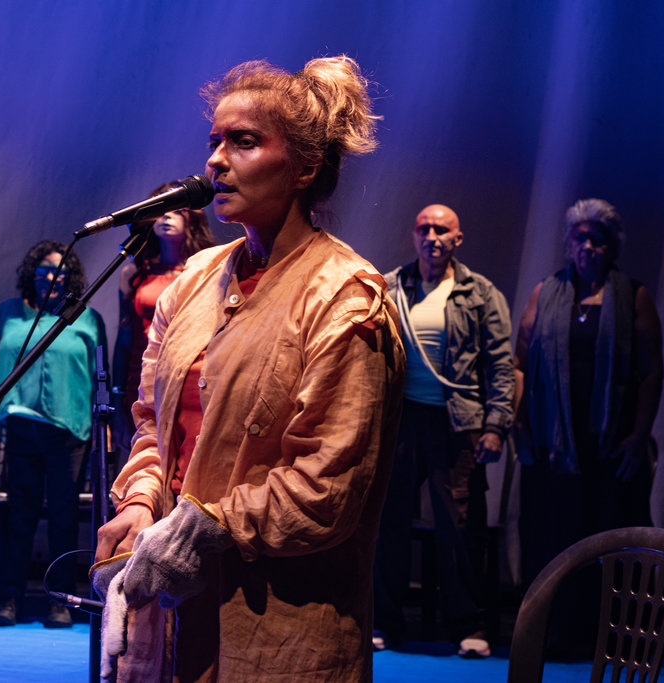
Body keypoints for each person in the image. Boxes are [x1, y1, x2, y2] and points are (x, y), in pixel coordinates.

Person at [92, 56, 404, 681]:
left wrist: (204, 528)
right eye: (214, 141)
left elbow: (327, 487)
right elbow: (153, 426)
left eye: (243, 141)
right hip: (175, 620)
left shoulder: (346, 298)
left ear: (304, 168)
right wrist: (142, 502)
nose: (215, 161)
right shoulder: (194, 280)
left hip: (278, 627)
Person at [373, 204, 514, 657]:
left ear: (458, 238)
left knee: (460, 526)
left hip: (457, 423)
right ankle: (384, 621)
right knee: (388, 521)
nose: (431, 236)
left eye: (441, 230)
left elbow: (500, 365)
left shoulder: (480, 293)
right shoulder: (392, 286)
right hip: (401, 419)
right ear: (414, 235)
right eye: (424, 228)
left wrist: (496, 426)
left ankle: (468, 626)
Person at [515, 198, 663, 592]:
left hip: (610, 445)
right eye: (579, 239)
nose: (588, 247)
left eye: (597, 239)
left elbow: (652, 371)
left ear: (612, 245)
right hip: (552, 446)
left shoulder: (633, 296)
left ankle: (605, 627)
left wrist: (639, 436)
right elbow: (520, 364)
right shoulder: (544, 292)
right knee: (551, 538)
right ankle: (551, 625)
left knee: (608, 540)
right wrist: (520, 426)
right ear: (568, 244)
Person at [0, 240, 107, 628]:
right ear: (30, 275)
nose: (51, 278)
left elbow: (101, 378)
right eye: (43, 271)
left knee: (63, 518)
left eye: (59, 271)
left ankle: (61, 601)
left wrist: (103, 432)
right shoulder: (8, 313)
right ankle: (9, 599)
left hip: (69, 430)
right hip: (22, 427)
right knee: (19, 516)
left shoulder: (87, 318)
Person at [111, 187, 213, 465]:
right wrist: (117, 396)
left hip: (188, 378)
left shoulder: (207, 272)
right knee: (141, 461)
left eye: (175, 210)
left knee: (184, 462)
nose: (167, 216)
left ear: (192, 218)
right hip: (141, 378)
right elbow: (124, 336)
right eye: (161, 210)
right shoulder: (134, 272)